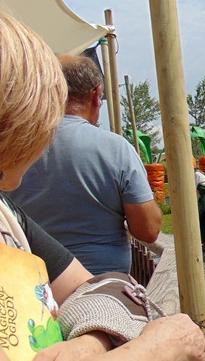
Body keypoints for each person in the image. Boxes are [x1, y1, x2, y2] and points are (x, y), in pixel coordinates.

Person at [0, 4, 205, 361]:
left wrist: (89, 344)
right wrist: (156, 348)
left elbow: (110, 288)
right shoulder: (114, 149)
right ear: (0, 122)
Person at [9, 55, 161, 275]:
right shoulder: (116, 148)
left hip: (33, 286)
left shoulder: (15, 149)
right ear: (96, 95)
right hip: (102, 284)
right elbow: (148, 230)